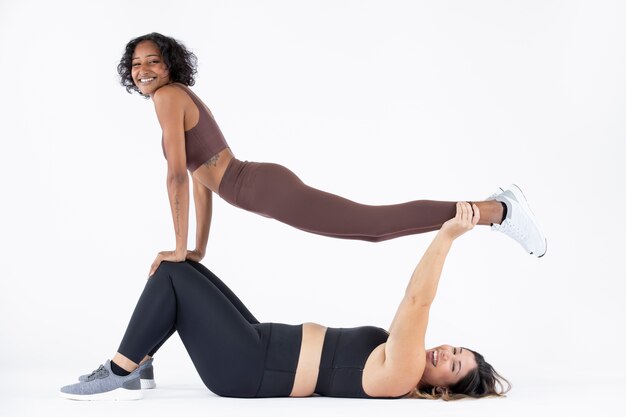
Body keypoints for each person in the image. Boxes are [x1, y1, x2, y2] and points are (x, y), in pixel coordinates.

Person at [116, 33, 547, 276]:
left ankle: (498, 210)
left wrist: (177, 248)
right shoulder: (175, 97)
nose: (144, 71)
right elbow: (198, 180)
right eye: (136, 65)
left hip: (264, 189)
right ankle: (496, 208)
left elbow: (175, 174)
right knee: (372, 228)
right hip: (262, 186)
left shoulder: (168, 97)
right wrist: (195, 248)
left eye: (153, 61)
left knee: (375, 226)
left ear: (169, 65)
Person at [60, 202, 511, 401]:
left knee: (174, 273)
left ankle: (122, 368)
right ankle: (143, 357)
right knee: (187, 270)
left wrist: (448, 235)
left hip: (249, 368)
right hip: (258, 343)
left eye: (452, 366)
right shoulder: (404, 362)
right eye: (455, 350)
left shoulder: (402, 374)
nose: (445, 353)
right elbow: (414, 308)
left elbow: (418, 300)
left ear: (440, 391)